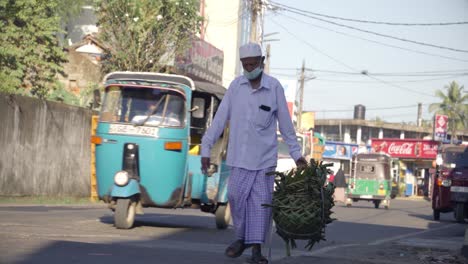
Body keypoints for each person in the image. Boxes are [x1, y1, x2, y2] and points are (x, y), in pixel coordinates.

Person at [201, 42, 307, 264]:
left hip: (264, 161)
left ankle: (255, 251)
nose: (250, 69)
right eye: (245, 65)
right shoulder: (235, 88)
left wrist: (297, 156)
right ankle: (241, 238)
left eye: (253, 64)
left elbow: (286, 126)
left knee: (260, 206)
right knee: (236, 198)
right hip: (239, 158)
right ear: (242, 65)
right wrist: (205, 148)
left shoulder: (275, 88)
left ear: (262, 63)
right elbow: (219, 120)